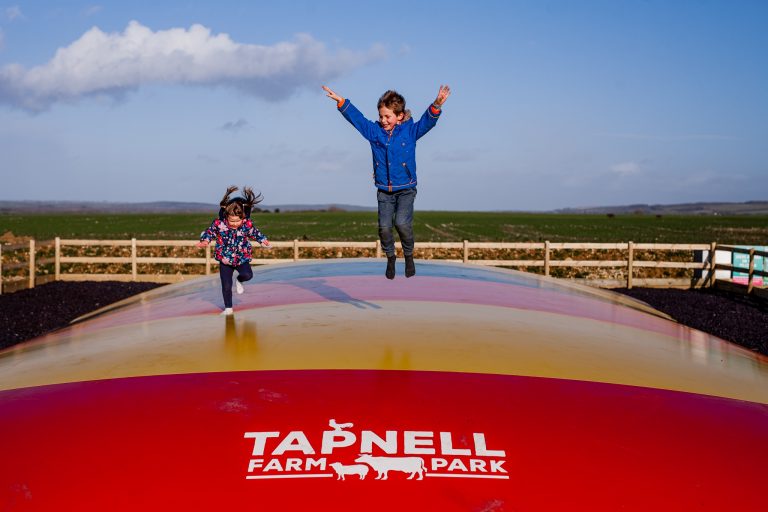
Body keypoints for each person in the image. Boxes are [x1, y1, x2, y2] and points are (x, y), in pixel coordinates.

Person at [322, 84, 451, 279]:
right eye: (381, 116)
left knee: (401, 223)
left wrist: (437, 104)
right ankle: (391, 258)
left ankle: (408, 256)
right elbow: (358, 120)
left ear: (399, 116)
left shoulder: (410, 131)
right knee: (384, 228)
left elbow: (427, 122)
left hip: (406, 189)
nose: (383, 120)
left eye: (387, 116)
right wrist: (342, 102)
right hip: (384, 190)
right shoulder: (375, 133)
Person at [196, 186, 271, 315]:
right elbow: (210, 232)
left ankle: (239, 280)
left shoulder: (246, 224)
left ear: (243, 217)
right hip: (225, 259)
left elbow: (255, 233)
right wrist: (206, 240)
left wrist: (262, 240)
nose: (235, 223)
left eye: (238, 221)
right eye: (232, 221)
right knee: (226, 285)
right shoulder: (220, 224)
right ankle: (228, 308)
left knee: (248, 275)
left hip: (241, 257)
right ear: (227, 216)